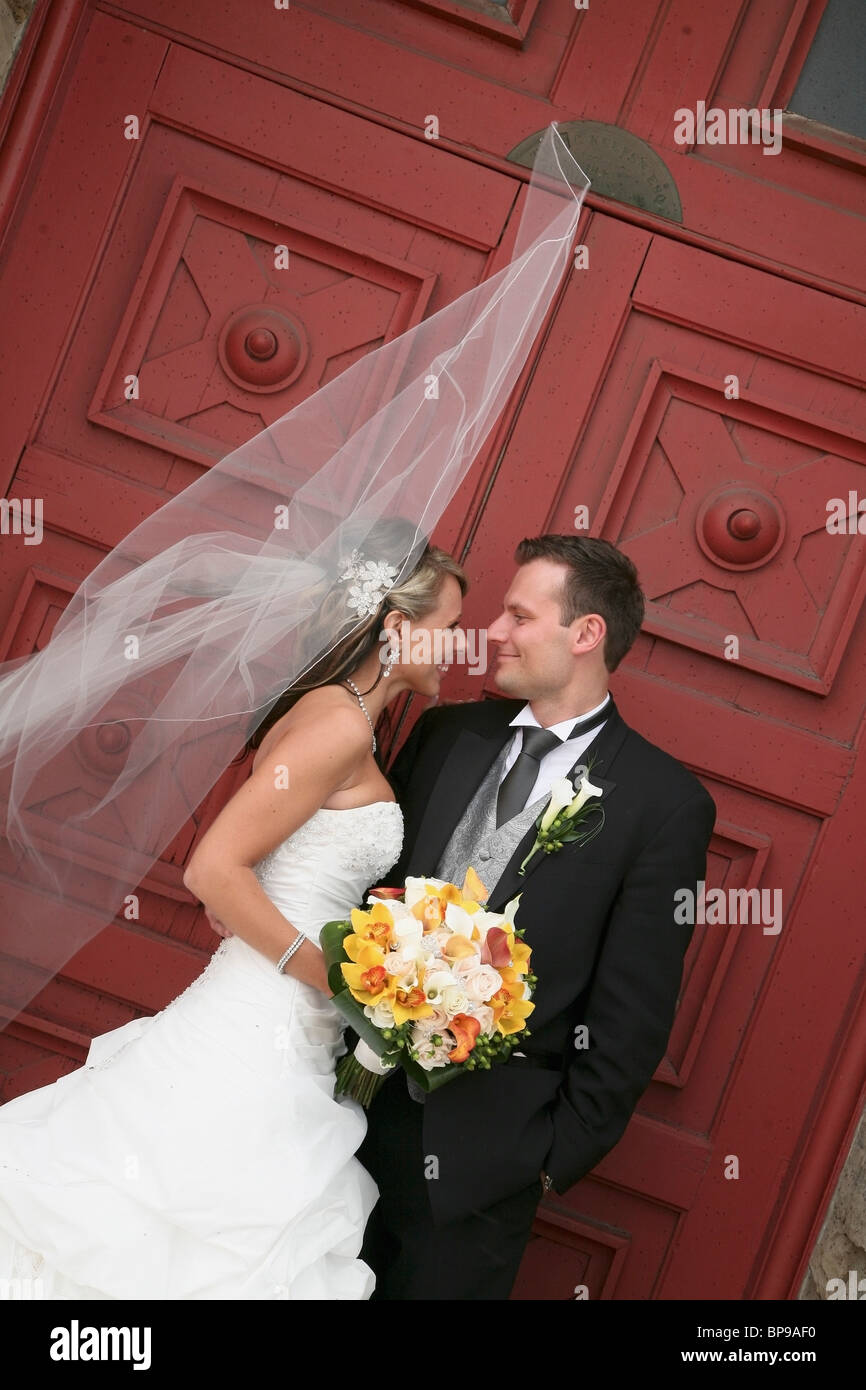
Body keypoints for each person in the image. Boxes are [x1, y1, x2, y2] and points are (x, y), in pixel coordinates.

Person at [0, 541, 466, 1300]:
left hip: (283, 1023)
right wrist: (344, 979)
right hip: (259, 1023)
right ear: (394, 627)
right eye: (449, 623)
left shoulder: (338, 717)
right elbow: (212, 868)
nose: (460, 645)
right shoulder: (340, 726)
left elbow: (260, 874)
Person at [358, 533, 717, 1300]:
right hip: (344, 1119)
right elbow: (372, 896)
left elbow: (634, 1008)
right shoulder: (447, 734)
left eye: (519, 615)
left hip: (482, 1167)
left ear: (585, 634)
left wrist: (549, 1158)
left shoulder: (663, 805)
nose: (493, 631)